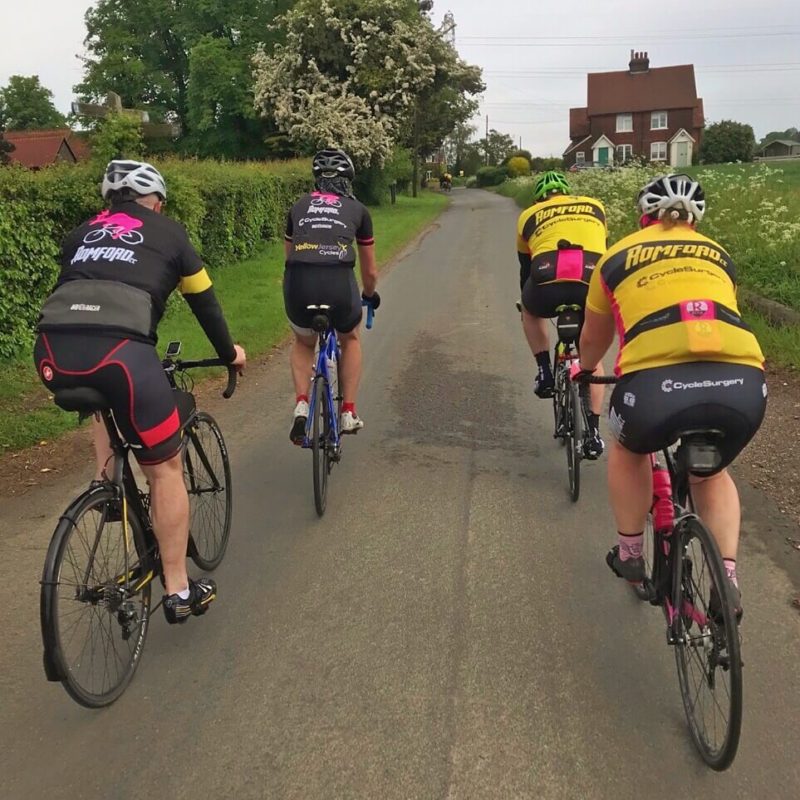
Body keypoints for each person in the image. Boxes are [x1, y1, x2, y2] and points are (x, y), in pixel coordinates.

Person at [34, 160, 246, 624]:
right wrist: (229, 353)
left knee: (103, 393)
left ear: (109, 202)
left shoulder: (79, 234)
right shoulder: (170, 233)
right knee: (165, 468)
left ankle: (107, 486)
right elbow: (205, 303)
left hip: (51, 352)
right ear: (156, 201)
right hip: (123, 359)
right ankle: (177, 587)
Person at [577, 173, 766, 616]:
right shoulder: (719, 256)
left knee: (627, 449)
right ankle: (727, 579)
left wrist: (586, 371)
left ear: (644, 217)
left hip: (655, 387)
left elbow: (593, 340)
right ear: (695, 222)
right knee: (711, 474)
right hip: (742, 382)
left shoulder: (616, 256)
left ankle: (629, 553)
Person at [284, 148, 379, 443]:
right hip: (339, 284)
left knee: (303, 341)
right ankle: (348, 411)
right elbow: (370, 271)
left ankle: (301, 403)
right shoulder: (358, 210)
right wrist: (369, 294)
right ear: (348, 180)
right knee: (349, 337)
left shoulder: (298, 207)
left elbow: (289, 257)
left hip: (299, 283)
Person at [515, 170, 608, 457]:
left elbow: (525, 267)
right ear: (567, 193)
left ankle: (544, 371)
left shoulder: (528, 215)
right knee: (591, 356)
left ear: (540, 197)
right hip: (590, 279)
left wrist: (528, 301)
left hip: (547, 279)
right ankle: (593, 432)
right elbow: (601, 245)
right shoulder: (596, 207)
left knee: (530, 312)